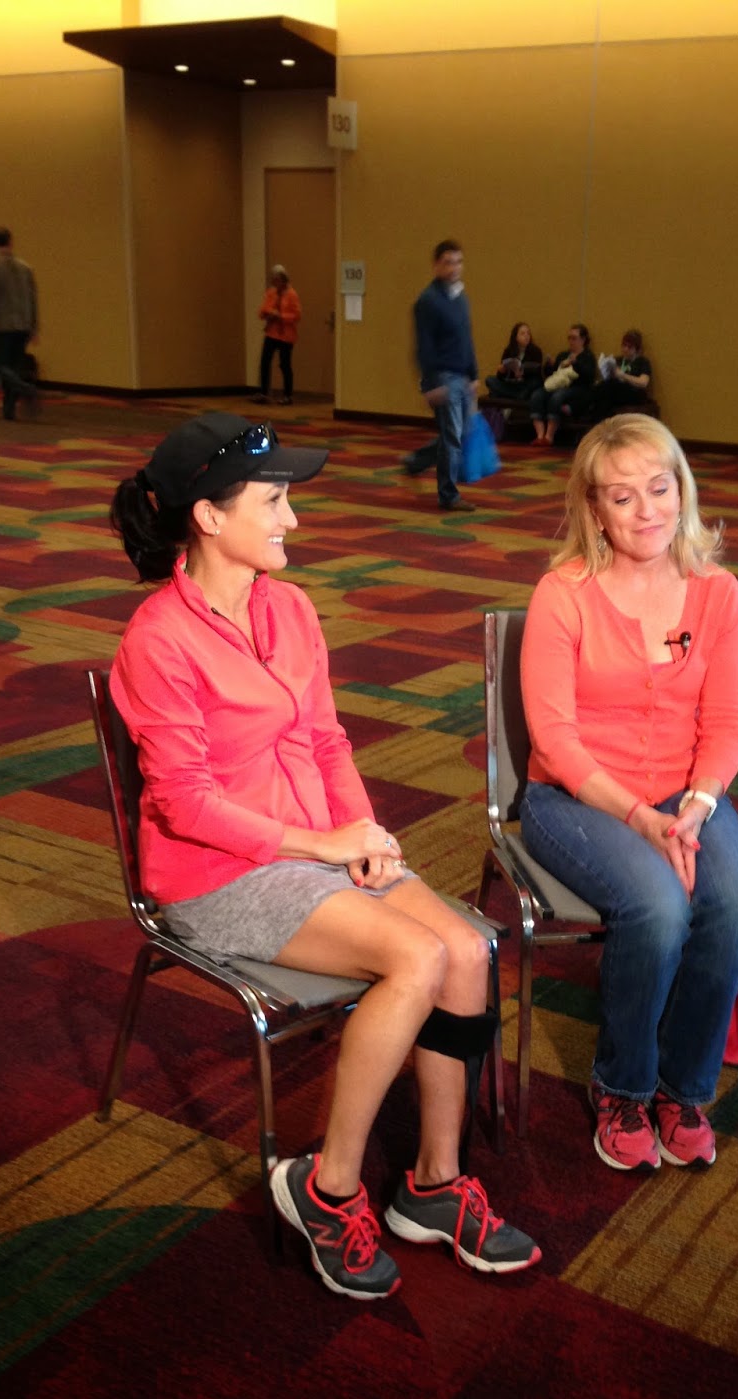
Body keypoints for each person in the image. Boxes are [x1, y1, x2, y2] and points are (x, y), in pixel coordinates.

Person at [109, 412, 540, 1300]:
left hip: (315, 848)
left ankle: (434, 1183)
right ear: (209, 517)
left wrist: (366, 837)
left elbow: (325, 740)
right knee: (417, 958)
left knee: (470, 950)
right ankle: (327, 1188)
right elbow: (184, 804)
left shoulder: (291, 608)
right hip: (216, 875)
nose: (292, 519)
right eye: (272, 502)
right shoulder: (157, 639)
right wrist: (323, 844)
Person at [518, 414, 738, 1174]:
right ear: (594, 510)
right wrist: (638, 817)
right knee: (658, 908)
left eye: (660, 489)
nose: (647, 510)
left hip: (684, 797)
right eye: (622, 498)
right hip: (576, 799)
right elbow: (554, 740)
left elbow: (727, 724)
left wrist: (698, 805)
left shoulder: (718, 593)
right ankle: (623, 1086)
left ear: (682, 491)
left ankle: (682, 1089)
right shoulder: (563, 593)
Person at [403, 239, 479, 514]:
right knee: (452, 436)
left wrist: (473, 374)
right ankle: (448, 495)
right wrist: (431, 383)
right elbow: (424, 346)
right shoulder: (428, 301)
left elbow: (466, 338)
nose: (454, 268)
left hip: (461, 376)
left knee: (460, 433)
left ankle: (416, 462)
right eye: (448, 262)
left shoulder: (460, 297)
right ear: (436, 265)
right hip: (442, 377)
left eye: (458, 262)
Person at [0, 227, 39, 421]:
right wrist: (34, 326)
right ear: (11, 242)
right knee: (14, 367)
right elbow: (33, 299)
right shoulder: (26, 267)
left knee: (1, 365)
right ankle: (8, 409)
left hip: (3, 325)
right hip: (23, 324)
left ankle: (26, 389)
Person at [528, 323, 597, 445]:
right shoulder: (563, 355)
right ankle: (540, 435)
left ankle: (549, 436)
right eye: (569, 338)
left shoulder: (588, 357)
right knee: (537, 395)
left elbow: (589, 377)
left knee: (557, 396)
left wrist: (575, 364)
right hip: (558, 385)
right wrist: (549, 366)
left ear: (583, 340)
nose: (571, 341)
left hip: (577, 388)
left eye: (574, 338)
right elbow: (552, 374)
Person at [256, 265, 302, 405]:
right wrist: (270, 312)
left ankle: (288, 395)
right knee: (264, 362)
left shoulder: (292, 294)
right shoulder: (271, 293)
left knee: (284, 365)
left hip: (286, 335)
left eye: (277, 280)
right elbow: (262, 310)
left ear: (283, 280)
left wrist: (281, 316)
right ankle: (264, 393)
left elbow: (297, 315)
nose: (275, 283)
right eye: (273, 280)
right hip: (271, 333)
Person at [592, 329, 653, 420]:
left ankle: (599, 420)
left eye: (629, 347)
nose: (625, 349)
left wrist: (622, 375)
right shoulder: (618, 360)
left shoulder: (642, 362)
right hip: (616, 391)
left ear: (637, 349)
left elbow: (643, 382)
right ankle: (599, 419)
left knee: (609, 387)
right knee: (600, 388)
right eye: (624, 346)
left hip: (634, 392)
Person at [485, 322, 544, 401]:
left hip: (526, 383)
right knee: (489, 380)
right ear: (516, 337)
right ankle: (518, 395)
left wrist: (523, 372)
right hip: (512, 384)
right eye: (522, 334)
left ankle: (508, 394)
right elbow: (500, 377)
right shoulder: (509, 351)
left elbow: (537, 373)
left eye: (528, 333)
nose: (526, 336)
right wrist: (501, 371)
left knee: (536, 382)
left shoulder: (536, 351)